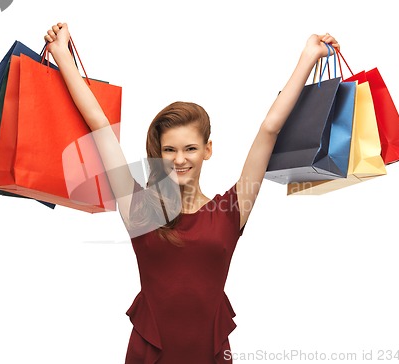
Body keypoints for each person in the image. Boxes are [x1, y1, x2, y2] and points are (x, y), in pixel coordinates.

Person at [44, 23, 339, 364]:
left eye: (190, 149)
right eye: (169, 150)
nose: (179, 159)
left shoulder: (232, 209)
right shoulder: (138, 207)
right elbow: (99, 125)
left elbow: (269, 128)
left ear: (207, 150)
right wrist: (63, 56)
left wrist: (307, 56)